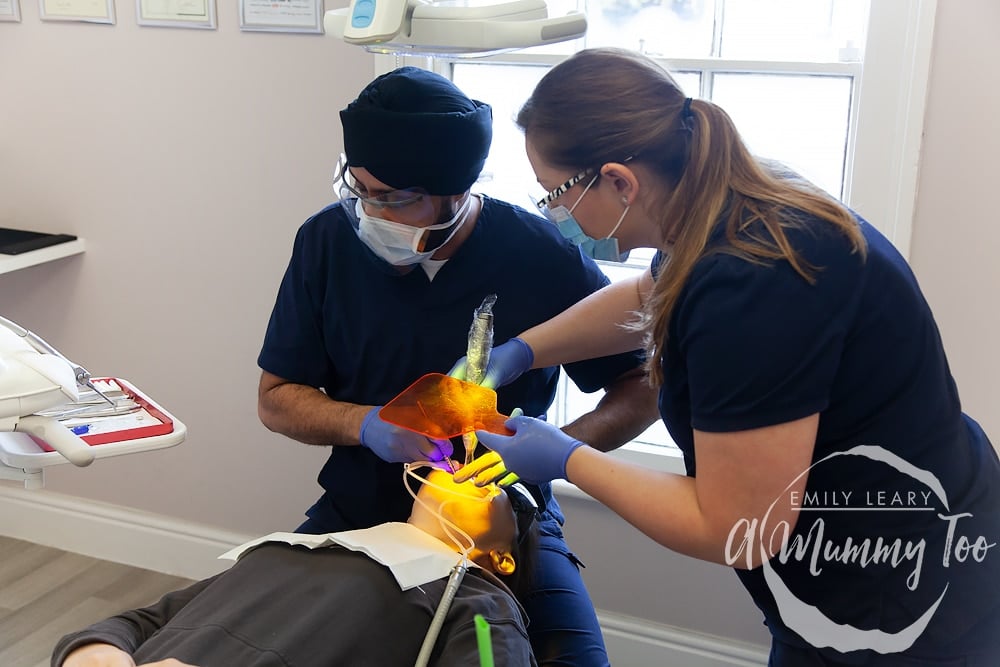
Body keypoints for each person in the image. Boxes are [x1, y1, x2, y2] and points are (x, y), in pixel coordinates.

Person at [453, 47, 1000, 666]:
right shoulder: (726, 198)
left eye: (557, 194)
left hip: (897, 594)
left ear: (619, 181)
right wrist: (524, 351)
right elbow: (652, 290)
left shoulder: (755, 282)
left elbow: (740, 527)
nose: (556, 212)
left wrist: (566, 458)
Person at [255, 66, 659, 666]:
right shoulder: (325, 242)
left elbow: (639, 386)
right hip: (359, 510)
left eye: (397, 198)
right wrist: (366, 424)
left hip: (501, 515)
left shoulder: (540, 254)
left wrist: (561, 449)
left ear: (458, 189)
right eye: (360, 189)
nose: (372, 212)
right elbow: (276, 397)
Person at [52, 467, 541, 667]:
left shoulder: (478, 599)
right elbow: (137, 624)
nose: (471, 466)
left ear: (502, 556)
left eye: (498, 482)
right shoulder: (293, 548)